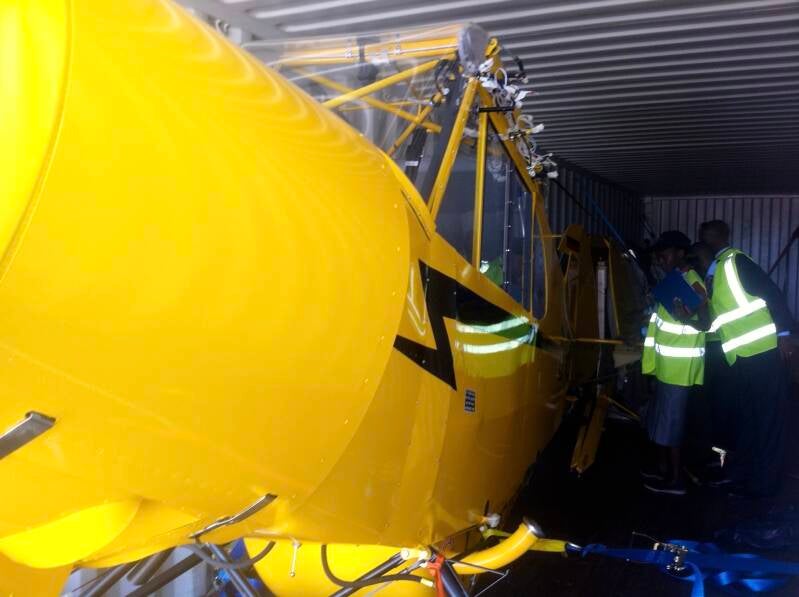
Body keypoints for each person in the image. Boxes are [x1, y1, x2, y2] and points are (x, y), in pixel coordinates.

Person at [697, 220, 795, 497]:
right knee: (750, 420)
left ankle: (766, 485)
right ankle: (744, 477)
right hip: (740, 358)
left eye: (709, 235)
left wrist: (785, 334)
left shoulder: (735, 262)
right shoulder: (713, 274)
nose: (706, 239)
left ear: (721, 236)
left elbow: (772, 294)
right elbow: (721, 321)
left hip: (763, 353)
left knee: (769, 421)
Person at [641, 231, 707, 495]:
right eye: (659, 254)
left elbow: (704, 317)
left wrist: (688, 317)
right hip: (664, 365)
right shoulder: (672, 280)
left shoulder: (691, 280)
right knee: (660, 420)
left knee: (672, 425)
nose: (661, 258)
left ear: (681, 253)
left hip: (679, 369)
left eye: (665, 253)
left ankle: (675, 480)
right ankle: (663, 468)